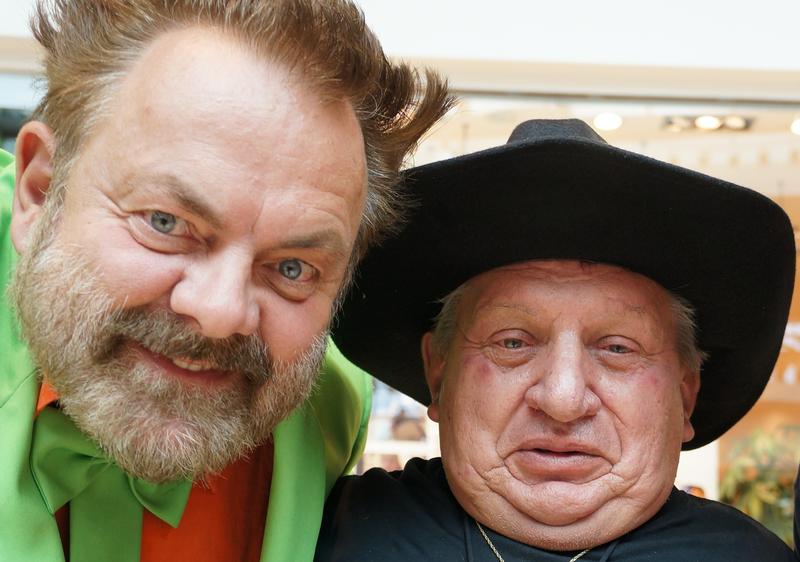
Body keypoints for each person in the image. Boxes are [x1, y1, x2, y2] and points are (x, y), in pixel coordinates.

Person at [0, 1, 452, 561]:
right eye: (165, 223)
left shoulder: (327, 414)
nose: (220, 313)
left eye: (292, 268)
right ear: (41, 192)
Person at [316, 119, 797, 560]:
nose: (563, 401)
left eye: (617, 348)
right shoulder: (321, 535)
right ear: (438, 370)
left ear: (685, 393)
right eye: (512, 343)